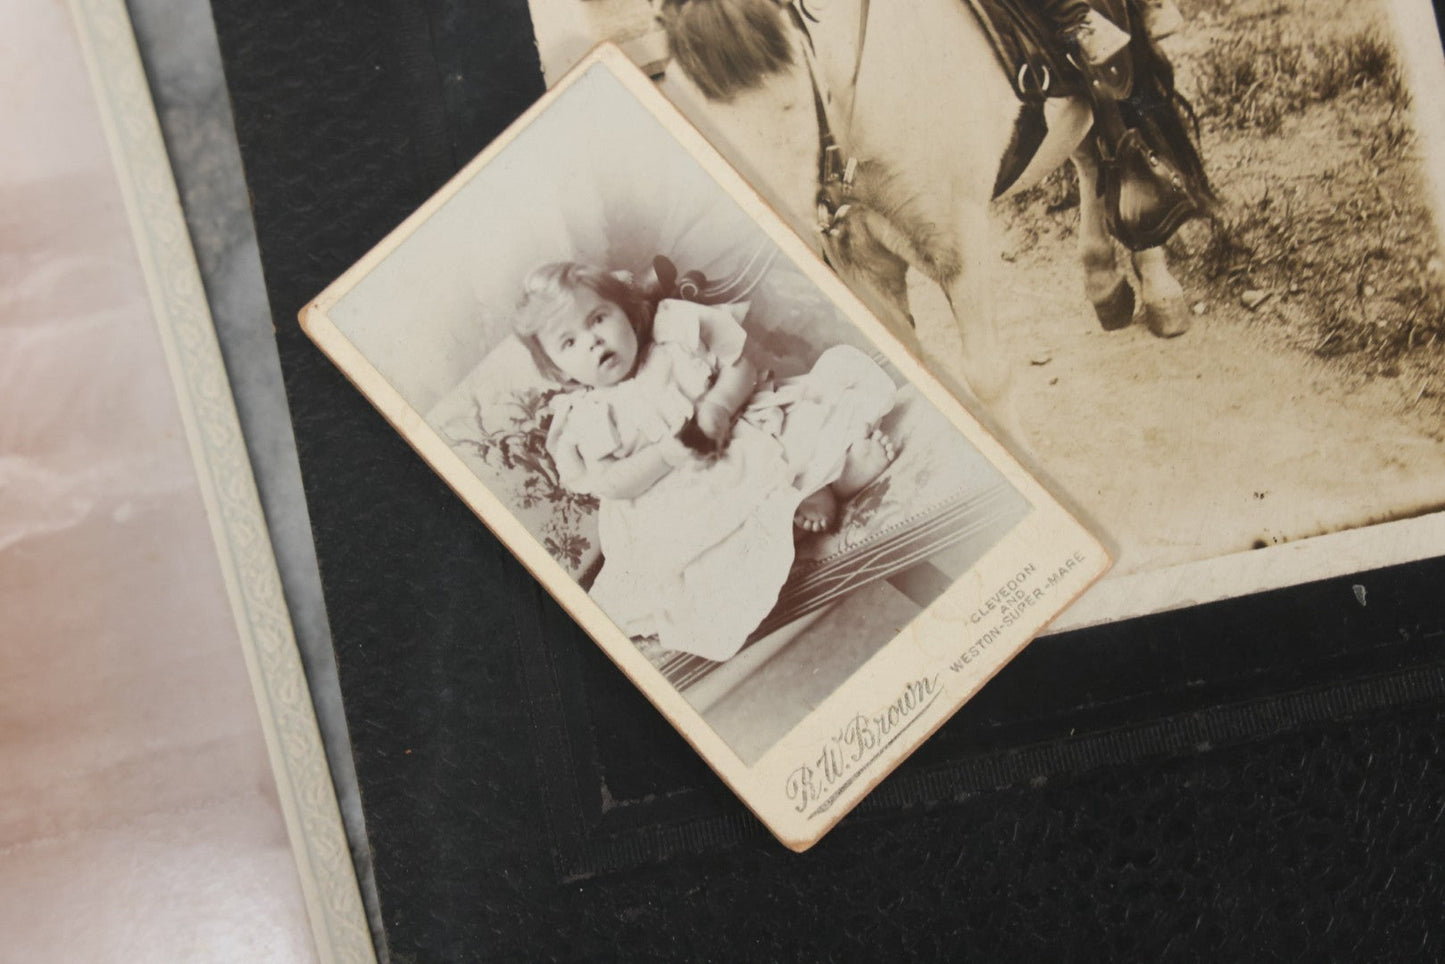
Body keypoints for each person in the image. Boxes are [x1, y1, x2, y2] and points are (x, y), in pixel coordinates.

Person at [513, 260, 897, 662]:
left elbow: (741, 363)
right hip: (676, 496)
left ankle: (832, 479)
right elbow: (611, 484)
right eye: (569, 343)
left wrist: (718, 405)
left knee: (803, 426)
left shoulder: (672, 335)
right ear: (557, 368)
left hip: (742, 436)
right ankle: (799, 507)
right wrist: (664, 455)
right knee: (703, 557)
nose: (592, 341)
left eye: (597, 319)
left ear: (624, 311)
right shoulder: (584, 418)